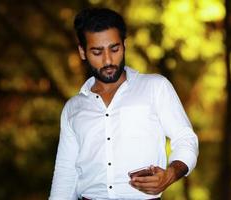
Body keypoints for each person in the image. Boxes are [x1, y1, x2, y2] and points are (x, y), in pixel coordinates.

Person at [49, 7, 199, 200]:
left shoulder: (155, 87)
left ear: (124, 45)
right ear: (83, 52)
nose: (108, 60)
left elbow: (186, 139)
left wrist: (170, 174)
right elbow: (65, 173)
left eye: (114, 49)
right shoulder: (73, 108)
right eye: (97, 52)